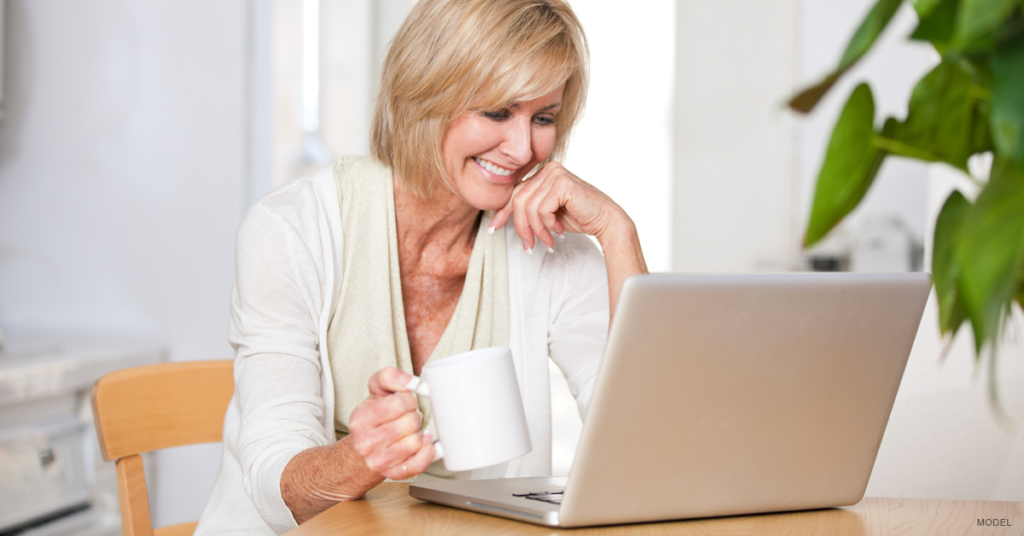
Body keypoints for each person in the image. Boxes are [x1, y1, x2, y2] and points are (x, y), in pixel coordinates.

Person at [194, 0, 647, 533]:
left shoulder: (551, 248)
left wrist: (618, 233)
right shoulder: (291, 229)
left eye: (543, 118)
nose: (524, 148)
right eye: (498, 112)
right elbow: (274, 494)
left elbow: (644, 450)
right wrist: (358, 459)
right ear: (426, 92)